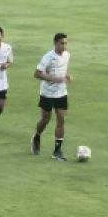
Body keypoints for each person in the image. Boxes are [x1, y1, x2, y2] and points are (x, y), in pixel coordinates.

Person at [33, 33, 72, 161]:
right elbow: (37, 74)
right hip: (47, 93)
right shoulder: (48, 57)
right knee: (45, 119)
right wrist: (52, 78)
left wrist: (67, 76)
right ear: (55, 43)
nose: (64, 46)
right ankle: (37, 136)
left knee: (62, 119)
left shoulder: (67, 55)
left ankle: (57, 150)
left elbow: (62, 70)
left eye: (66, 43)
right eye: (62, 43)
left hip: (61, 93)